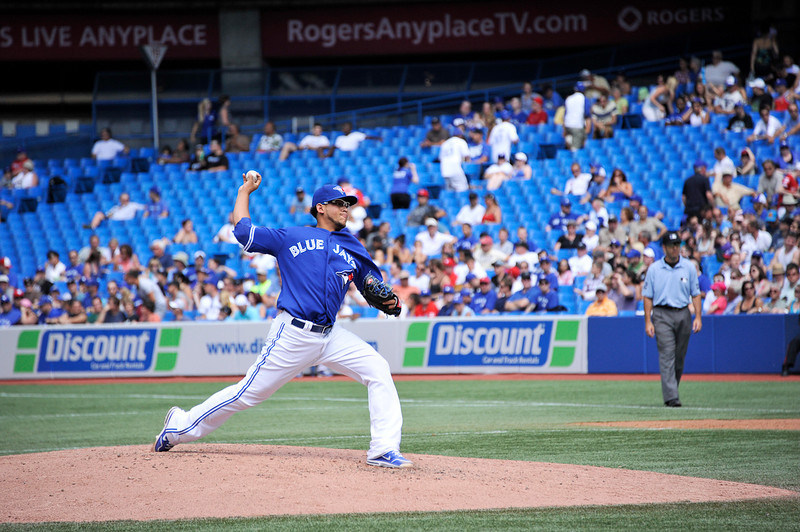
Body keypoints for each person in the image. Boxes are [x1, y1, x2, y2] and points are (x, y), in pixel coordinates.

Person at [153, 176, 412, 469]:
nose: (346, 209)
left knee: (378, 369)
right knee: (247, 394)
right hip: (293, 334)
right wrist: (243, 191)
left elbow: (371, 285)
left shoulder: (351, 245)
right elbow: (244, 232)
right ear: (320, 208)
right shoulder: (292, 235)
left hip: (331, 335)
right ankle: (179, 426)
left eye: (348, 204)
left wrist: (390, 301)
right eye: (339, 203)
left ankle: (382, 449)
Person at [643, 231, 702, 407]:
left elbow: (696, 293)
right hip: (661, 314)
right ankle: (671, 397)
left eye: (677, 245)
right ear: (664, 248)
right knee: (667, 353)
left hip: (683, 312)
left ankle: (672, 389)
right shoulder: (654, 269)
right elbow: (647, 296)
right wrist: (648, 321)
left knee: (679, 356)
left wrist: (698, 316)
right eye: (671, 245)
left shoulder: (689, 267)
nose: (675, 248)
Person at [439, 127, 470, 192]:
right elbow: (467, 157)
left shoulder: (445, 143)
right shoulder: (461, 141)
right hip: (455, 169)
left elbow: (440, 159)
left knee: (449, 192)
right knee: (462, 189)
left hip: (445, 170)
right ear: (460, 135)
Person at [563, 82, 590, 151]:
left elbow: (565, 114)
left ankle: (569, 139)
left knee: (581, 139)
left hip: (568, 125)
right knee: (575, 149)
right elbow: (587, 114)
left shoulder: (568, 98)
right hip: (577, 126)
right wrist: (588, 128)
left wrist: (564, 129)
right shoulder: (584, 98)